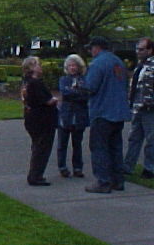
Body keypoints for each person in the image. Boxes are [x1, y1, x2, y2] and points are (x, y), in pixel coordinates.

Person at [82, 36, 131, 193]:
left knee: (99, 147)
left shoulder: (97, 63)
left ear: (97, 47)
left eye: (91, 48)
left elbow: (91, 86)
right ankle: (118, 180)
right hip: (119, 111)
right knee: (115, 147)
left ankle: (103, 181)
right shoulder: (118, 62)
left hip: (102, 112)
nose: (90, 51)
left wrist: (80, 84)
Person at [22, 56, 58, 186]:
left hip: (31, 118)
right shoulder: (36, 83)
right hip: (42, 120)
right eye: (38, 65)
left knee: (37, 146)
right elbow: (47, 101)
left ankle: (35, 174)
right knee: (42, 148)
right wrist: (55, 100)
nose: (40, 67)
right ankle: (36, 176)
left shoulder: (26, 82)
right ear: (32, 67)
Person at [124, 38, 154, 178]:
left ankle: (149, 169)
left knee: (151, 140)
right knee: (134, 138)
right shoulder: (139, 66)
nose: (138, 52)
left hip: (150, 109)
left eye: (141, 49)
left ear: (150, 50)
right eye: (137, 49)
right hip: (137, 108)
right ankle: (128, 166)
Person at [56, 54, 89, 178]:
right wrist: (76, 92)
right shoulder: (63, 79)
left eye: (74, 65)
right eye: (69, 66)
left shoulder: (84, 79)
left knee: (77, 144)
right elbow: (65, 92)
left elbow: (85, 95)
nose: (72, 68)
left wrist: (75, 93)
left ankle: (78, 167)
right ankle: (62, 167)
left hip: (79, 116)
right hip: (65, 115)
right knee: (62, 144)